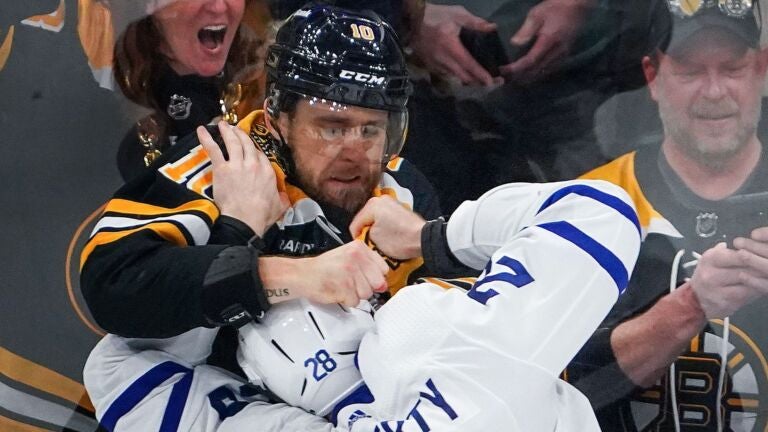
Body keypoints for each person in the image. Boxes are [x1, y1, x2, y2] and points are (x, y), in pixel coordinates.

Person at [84, 177, 642, 431]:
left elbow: (118, 372)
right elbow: (603, 212)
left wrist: (245, 249)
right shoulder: (476, 359)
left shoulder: (473, 368)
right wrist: (431, 240)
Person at [81, 0, 439, 375]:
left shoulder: (403, 190)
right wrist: (242, 234)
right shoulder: (219, 162)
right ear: (277, 119)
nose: (354, 153)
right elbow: (112, 287)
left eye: (371, 129)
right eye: (331, 128)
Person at [567, 3, 768, 430]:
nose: (714, 92)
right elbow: (554, 387)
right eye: (691, 71)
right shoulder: (589, 206)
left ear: (762, 69)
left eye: (731, 68)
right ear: (652, 76)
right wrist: (692, 305)